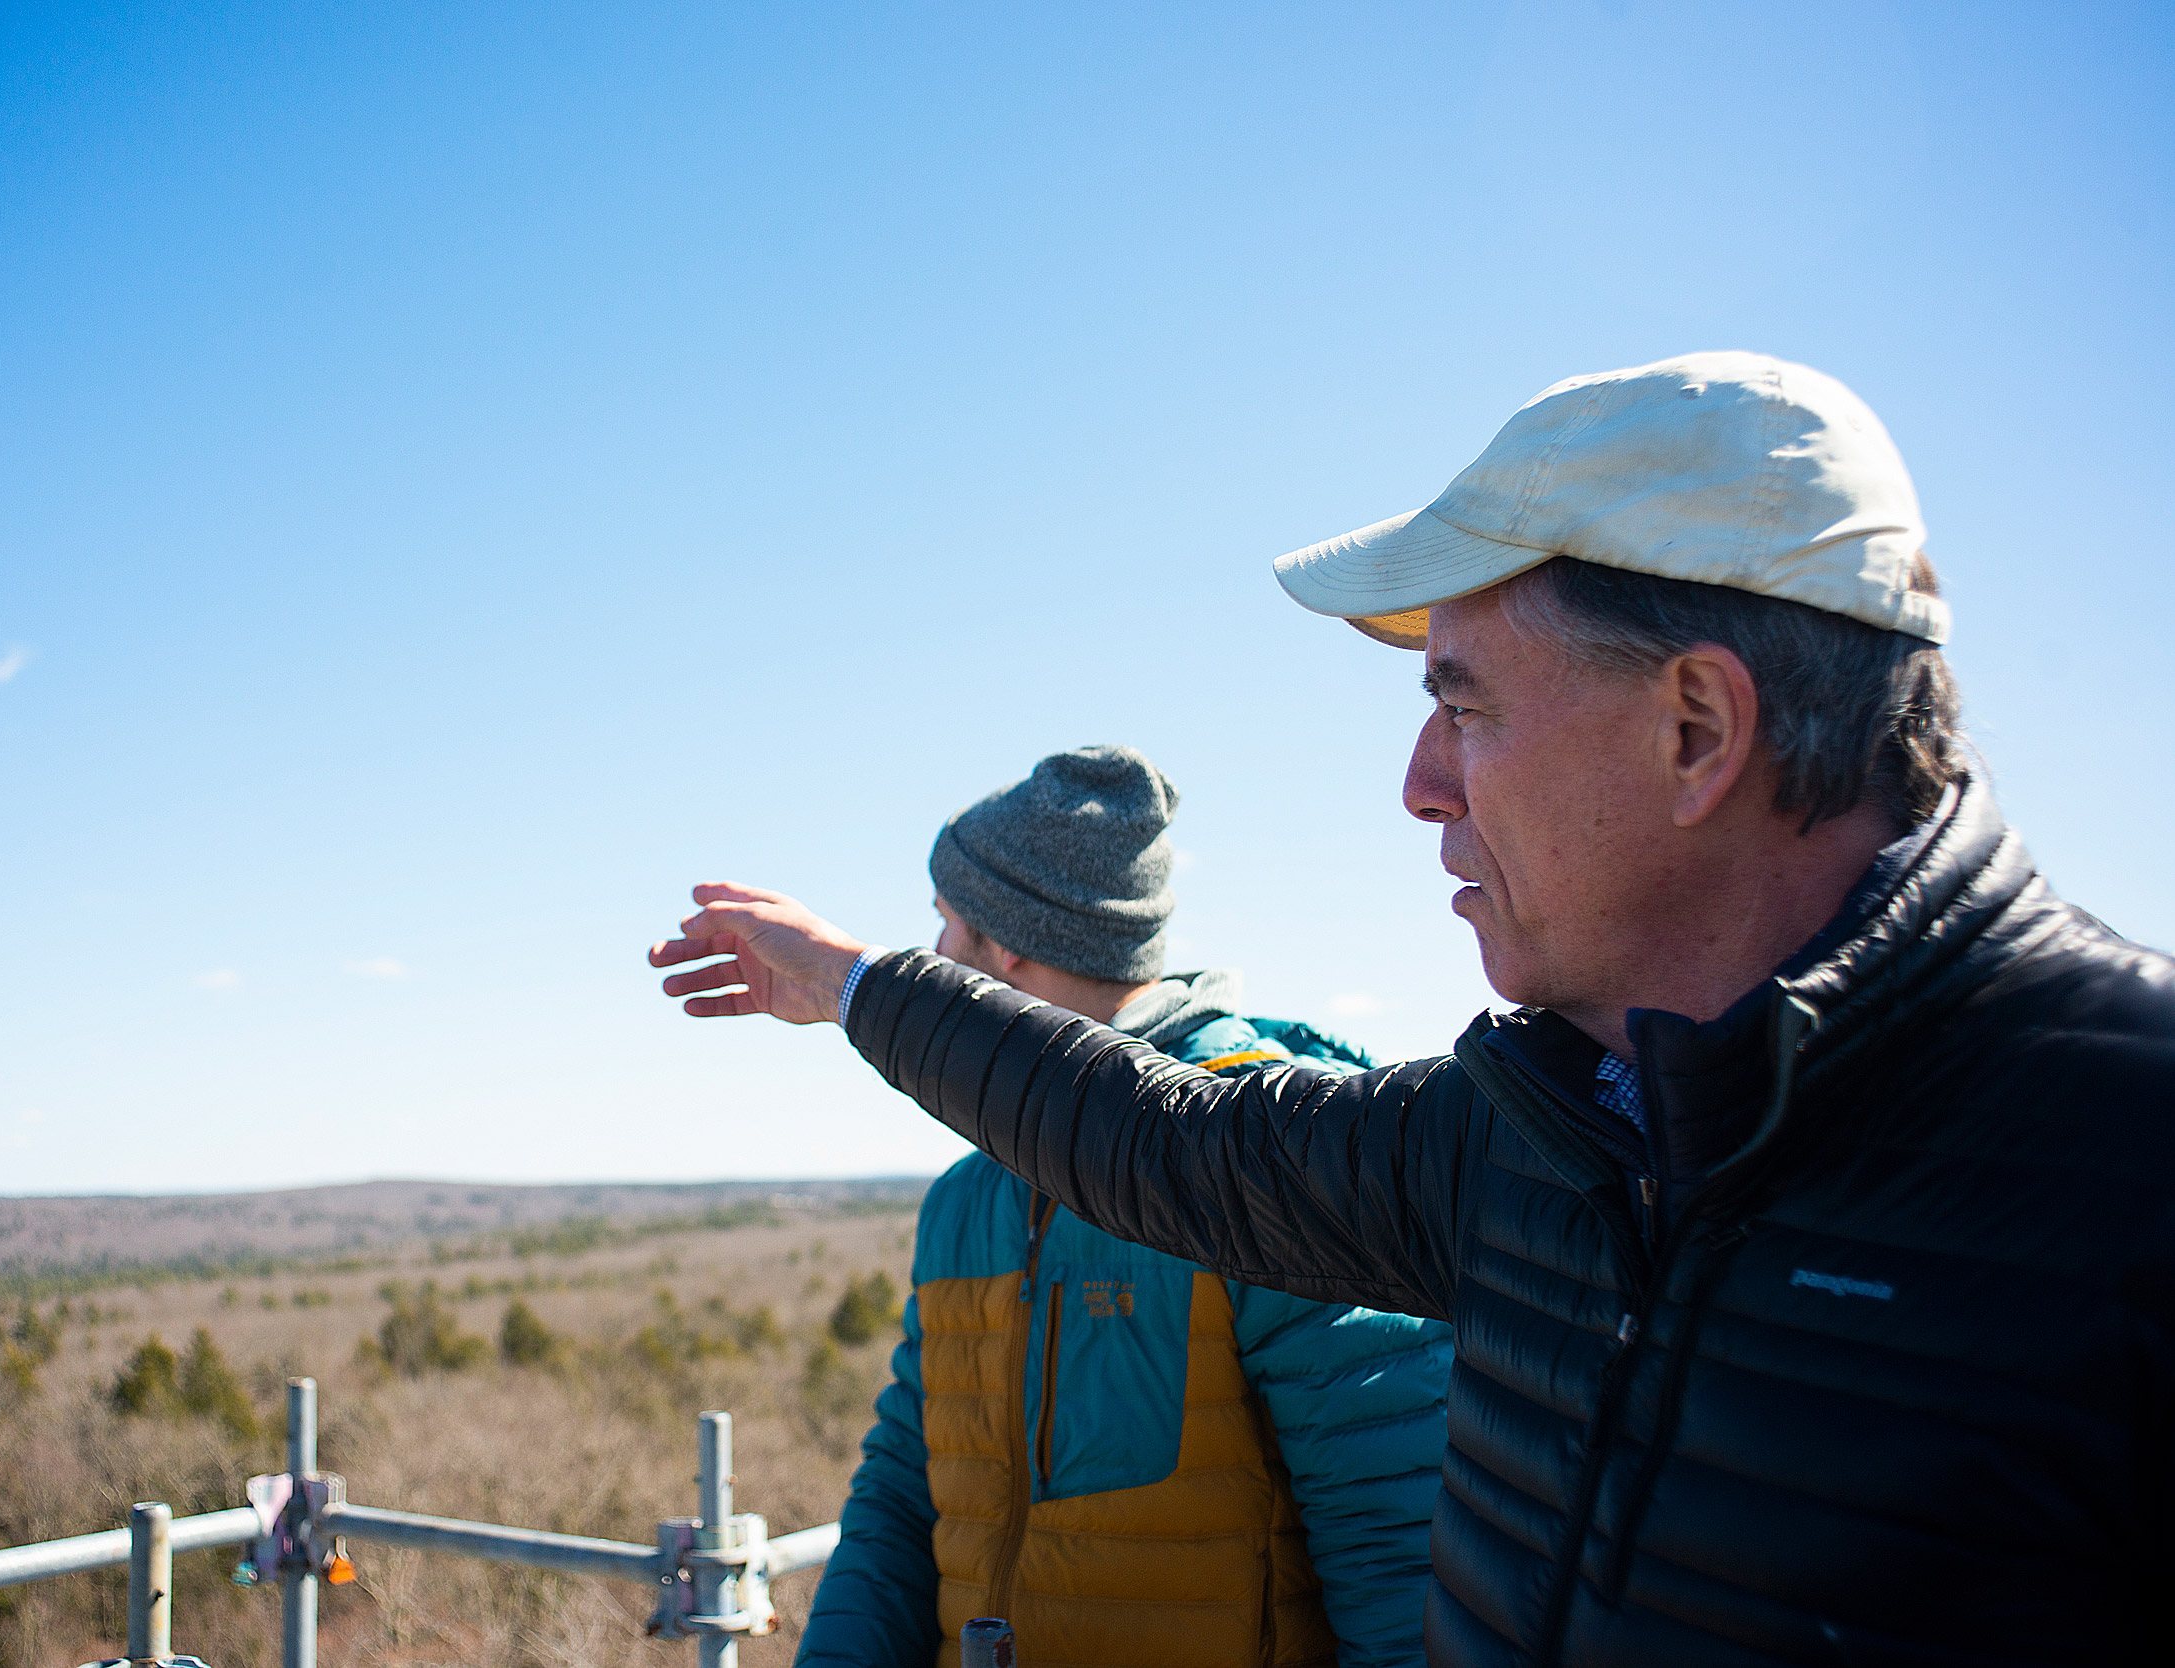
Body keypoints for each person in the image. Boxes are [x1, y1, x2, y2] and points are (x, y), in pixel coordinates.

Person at [650, 351, 2175, 1665]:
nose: (1418, 787)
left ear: (1696, 728)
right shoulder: (1534, 1132)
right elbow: (1156, 1137)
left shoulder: (2125, 1158)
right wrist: (854, 988)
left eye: (1464, 706)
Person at [795, 746, 1451, 1668]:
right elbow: (905, 1495)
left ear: (1007, 940)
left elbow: (1396, 1563)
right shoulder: (967, 1200)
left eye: (945, 922)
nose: (934, 953)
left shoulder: (1272, 1166)